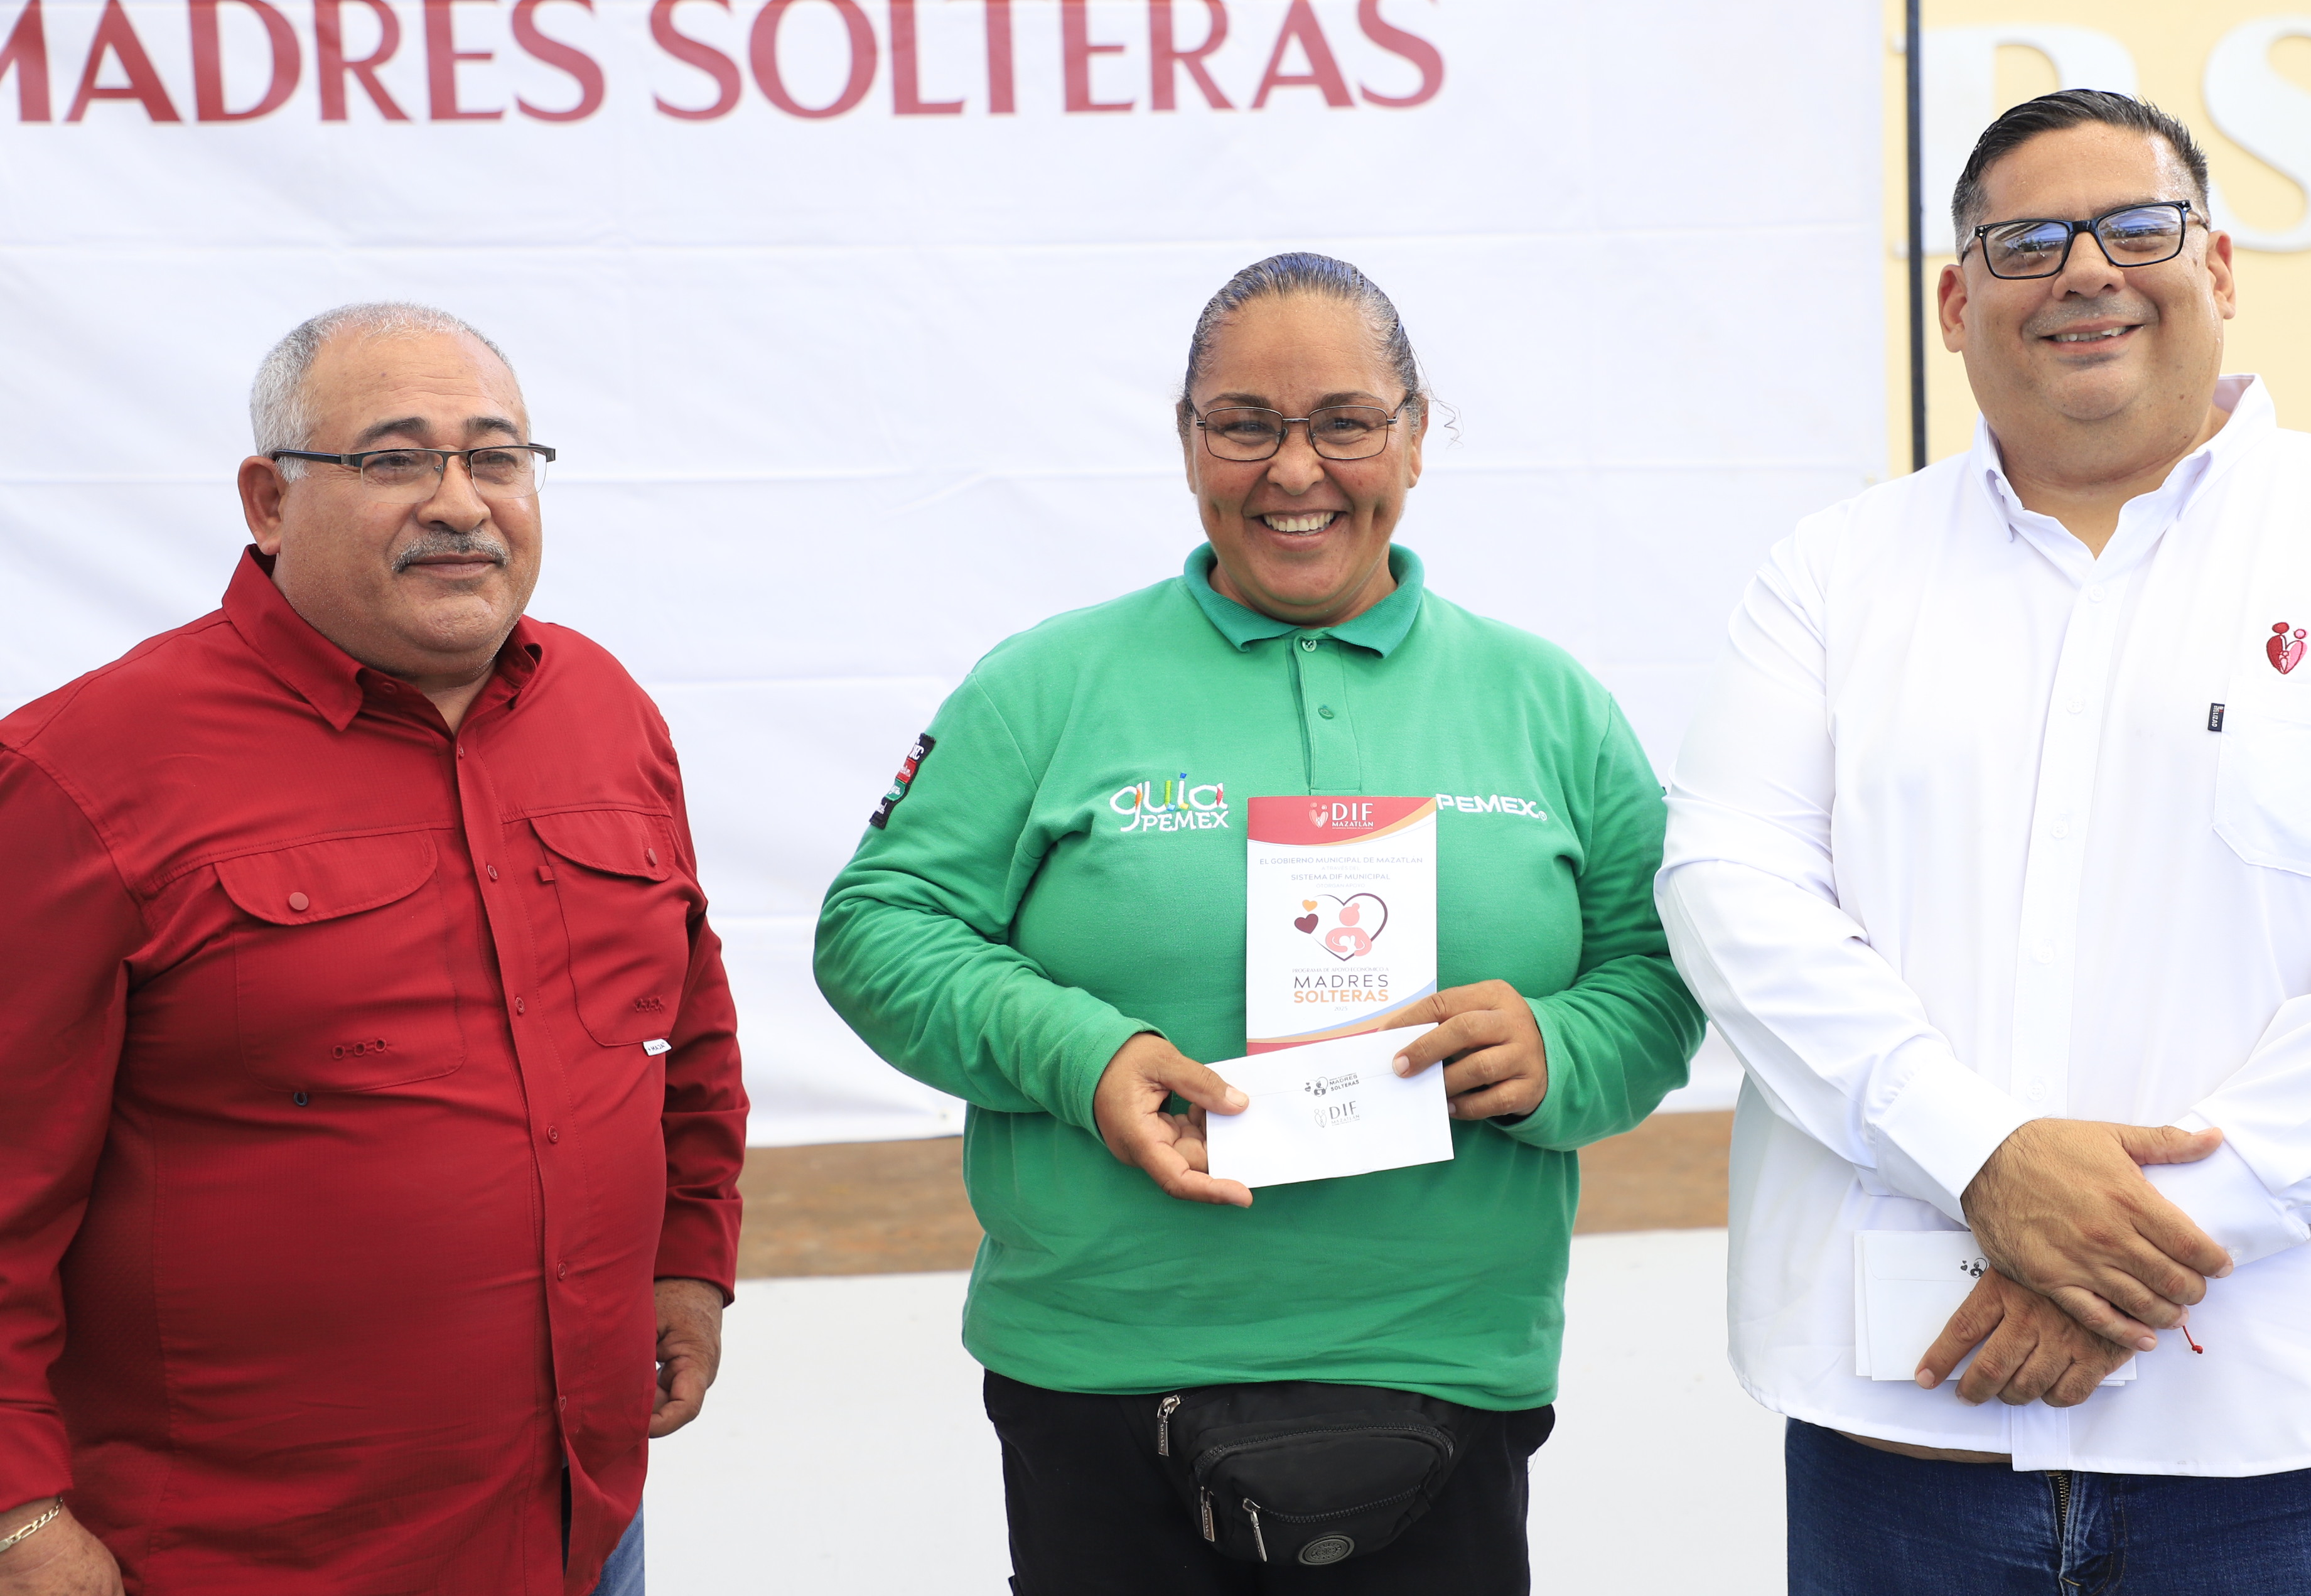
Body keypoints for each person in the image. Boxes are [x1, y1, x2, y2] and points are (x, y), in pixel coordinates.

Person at [1656, 88, 2311, 1593]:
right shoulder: (1835, 573)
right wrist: (1978, 1157)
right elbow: (1734, 892)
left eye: (2137, 227)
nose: (2086, 269)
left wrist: (2140, 1237)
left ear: (2217, 266)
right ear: (1957, 303)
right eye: (2028, 243)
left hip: (2300, 1443)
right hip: (1913, 1438)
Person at [816, 253, 1705, 1593]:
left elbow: (1661, 973)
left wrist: (1558, 1050)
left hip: (1447, 1366)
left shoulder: (1547, 702)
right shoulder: (1047, 686)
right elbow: (878, 927)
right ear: (1188, 442)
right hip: (1108, 1374)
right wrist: (1084, 1056)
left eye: (1345, 422)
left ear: (1416, 434)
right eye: (1245, 424)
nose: (1295, 471)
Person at [0, 304, 748, 1596]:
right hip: (255, 1559)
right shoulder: (82, 773)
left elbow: (687, 1027)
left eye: (496, 457)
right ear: (268, 501)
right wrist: (17, 1515)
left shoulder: (605, 711)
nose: (459, 503)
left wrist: (690, 1257)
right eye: (395, 459)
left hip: (580, 1524)